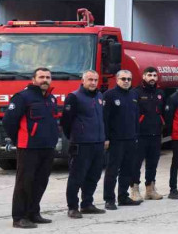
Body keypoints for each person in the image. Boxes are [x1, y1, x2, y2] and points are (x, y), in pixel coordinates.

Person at [4, 68, 58, 229]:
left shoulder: (51, 98)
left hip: (47, 147)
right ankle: (19, 217)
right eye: (41, 77)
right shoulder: (23, 97)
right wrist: (19, 139)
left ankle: (34, 213)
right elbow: (9, 121)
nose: (45, 80)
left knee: (41, 181)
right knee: (24, 183)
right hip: (28, 147)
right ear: (34, 79)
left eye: (48, 77)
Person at [61, 70, 107, 219]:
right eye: (90, 80)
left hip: (98, 144)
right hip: (81, 144)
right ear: (83, 80)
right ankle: (73, 207)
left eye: (95, 80)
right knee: (76, 177)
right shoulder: (74, 97)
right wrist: (75, 137)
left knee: (93, 176)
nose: (93, 83)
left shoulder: (100, 96)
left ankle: (87, 204)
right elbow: (65, 122)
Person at [102, 70, 141, 210]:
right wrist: (106, 138)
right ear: (117, 80)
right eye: (123, 79)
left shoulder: (134, 95)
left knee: (127, 170)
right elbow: (105, 119)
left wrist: (136, 136)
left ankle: (123, 197)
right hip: (115, 140)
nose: (126, 81)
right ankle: (109, 199)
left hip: (130, 139)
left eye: (129, 79)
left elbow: (136, 118)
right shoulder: (109, 95)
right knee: (112, 171)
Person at [132, 67, 165, 201]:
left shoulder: (160, 93)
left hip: (156, 134)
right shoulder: (136, 92)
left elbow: (163, 112)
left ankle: (150, 189)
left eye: (154, 75)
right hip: (140, 134)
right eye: (149, 75)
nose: (152, 78)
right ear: (144, 76)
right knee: (136, 163)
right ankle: (134, 189)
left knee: (152, 163)